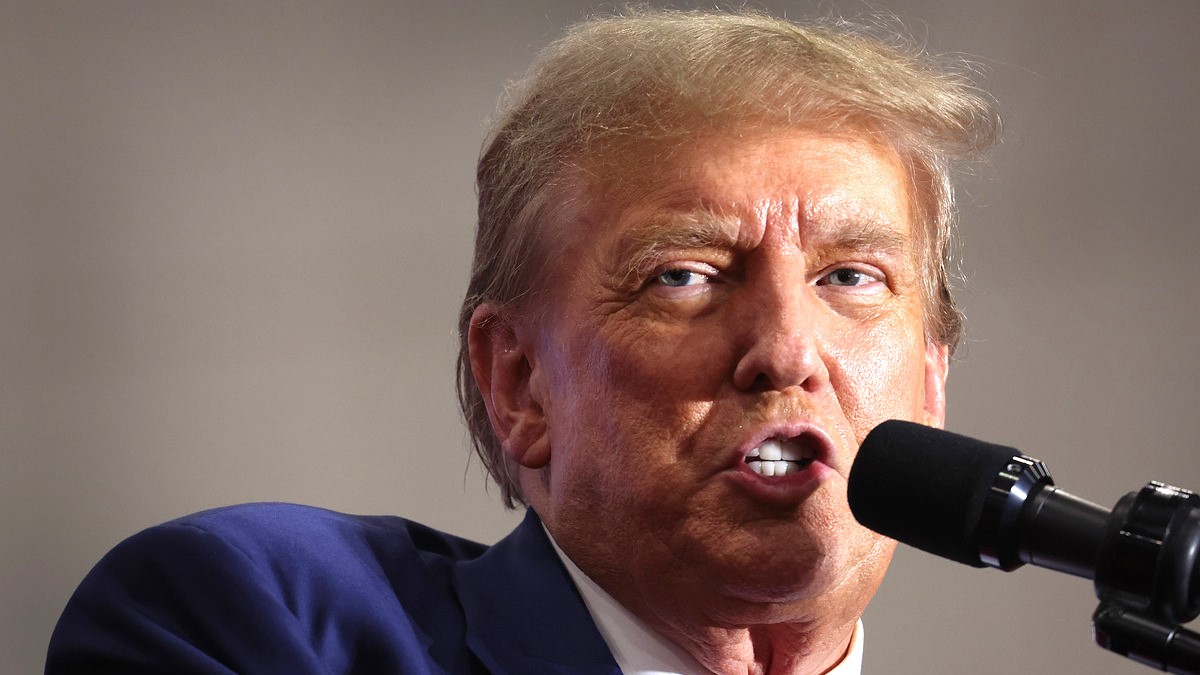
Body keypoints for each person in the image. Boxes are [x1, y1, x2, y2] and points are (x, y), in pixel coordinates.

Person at [46, 8, 998, 674]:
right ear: (519, 385)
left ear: (929, 384)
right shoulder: (258, 621)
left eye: (850, 277)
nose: (788, 350)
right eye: (685, 276)